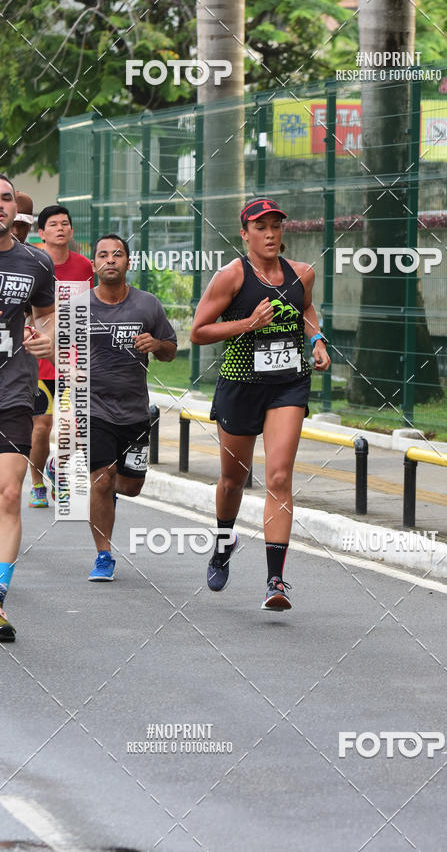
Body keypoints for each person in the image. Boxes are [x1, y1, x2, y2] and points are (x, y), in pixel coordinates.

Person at [190, 198, 330, 611]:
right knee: (234, 480)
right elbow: (198, 331)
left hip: (287, 384)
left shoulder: (302, 273)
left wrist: (316, 339)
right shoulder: (230, 277)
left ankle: (276, 580)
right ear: (245, 233)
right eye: (261, 227)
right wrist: (247, 324)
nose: (270, 234)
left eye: (276, 226)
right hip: (240, 385)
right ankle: (222, 542)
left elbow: (305, 309)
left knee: (280, 477)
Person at [0, 174, 55, 641]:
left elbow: (47, 317)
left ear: (17, 209)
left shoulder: (37, 262)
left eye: (6, 198)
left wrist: (48, 334)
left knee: (8, 495)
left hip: (10, 390)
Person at [85, 233, 177, 581]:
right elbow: (60, 353)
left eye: (118, 254)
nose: (110, 260)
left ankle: (106, 495)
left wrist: (156, 344)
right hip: (94, 409)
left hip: (136, 411)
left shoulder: (147, 305)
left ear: (128, 262)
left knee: (130, 485)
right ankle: (103, 556)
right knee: (101, 480)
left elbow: (170, 350)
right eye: (103, 255)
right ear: (94, 263)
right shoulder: (80, 307)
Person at [28, 204, 93, 508]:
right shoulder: (31, 264)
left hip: (74, 361)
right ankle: (38, 482)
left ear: (71, 230)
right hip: (39, 361)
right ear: (41, 233)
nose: (60, 228)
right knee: (42, 426)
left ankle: (60, 472)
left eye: (65, 223)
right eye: (53, 224)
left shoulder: (84, 267)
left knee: (71, 426)